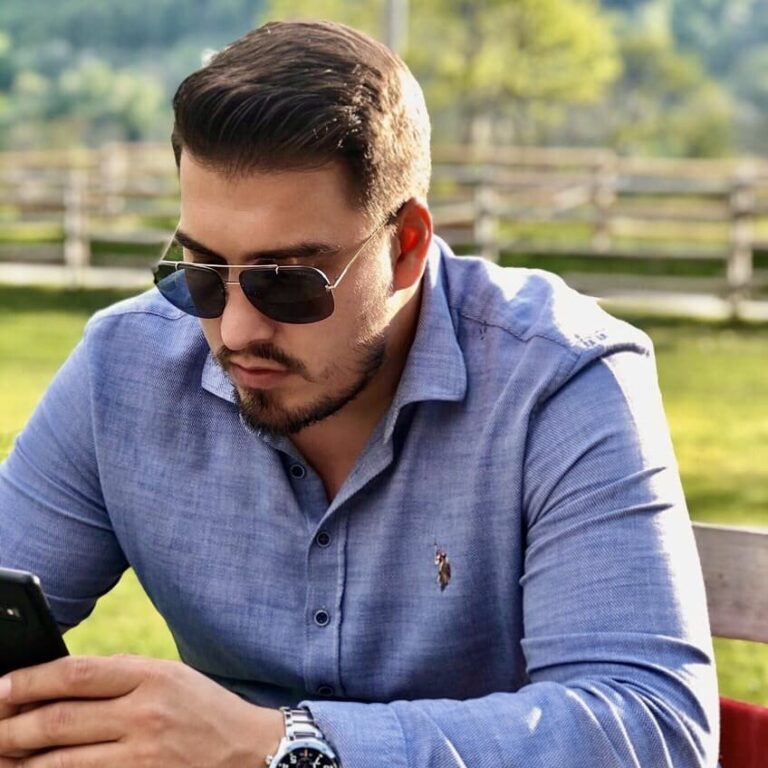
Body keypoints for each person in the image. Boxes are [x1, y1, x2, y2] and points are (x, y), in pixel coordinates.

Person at [0, 19, 718, 768]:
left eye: (288, 281)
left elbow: (651, 729)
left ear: (405, 247)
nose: (236, 330)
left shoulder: (560, 378)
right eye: (203, 273)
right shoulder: (125, 365)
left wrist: (281, 747)